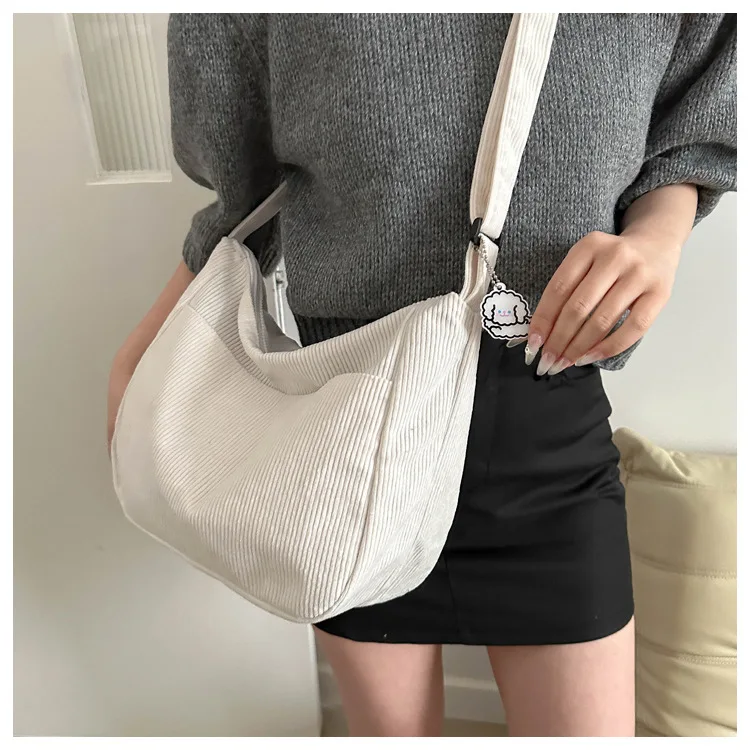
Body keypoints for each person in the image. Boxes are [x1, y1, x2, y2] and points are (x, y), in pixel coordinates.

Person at [108, 13, 737, 737]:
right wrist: (152, 350)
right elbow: (240, 189)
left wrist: (659, 238)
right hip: (350, 446)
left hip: (546, 433)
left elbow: (695, 110)